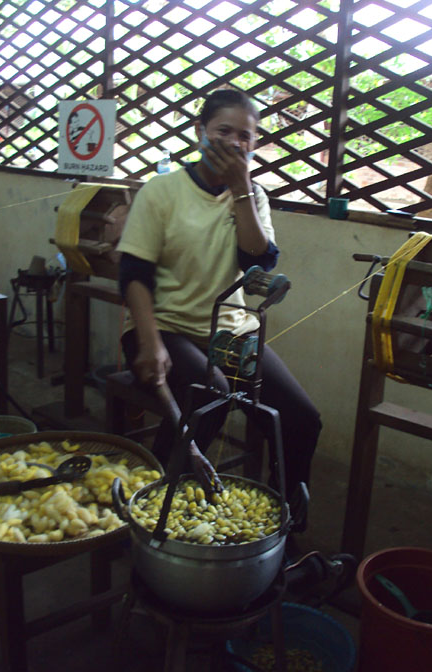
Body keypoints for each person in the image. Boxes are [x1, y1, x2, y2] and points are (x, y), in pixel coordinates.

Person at [116, 88, 321, 531]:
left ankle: (281, 527)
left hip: (229, 333)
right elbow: (133, 273)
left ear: (255, 143)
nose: (233, 143)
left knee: (300, 419)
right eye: (223, 131)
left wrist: (241, 189)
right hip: (161, 326)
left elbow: (257, 259)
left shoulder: (252, 195)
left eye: (245, 136)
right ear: (199, 132)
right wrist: (150, 343)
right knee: (208, 393)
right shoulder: (162, 192)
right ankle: (155, 510)